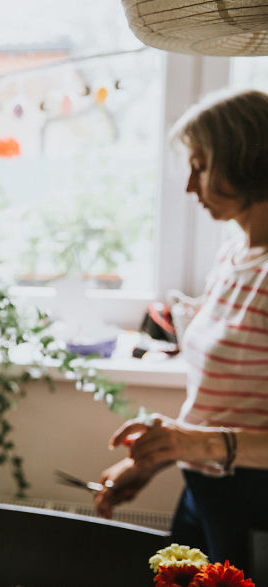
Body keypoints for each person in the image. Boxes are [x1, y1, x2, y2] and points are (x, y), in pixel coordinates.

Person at [94, 89, 268, 573]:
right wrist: (154, 458)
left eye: (201, 165)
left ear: (246, 159)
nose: (191, 187)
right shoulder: (233, 259)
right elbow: (223, 399)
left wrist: (190, 443)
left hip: (256, 505)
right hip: (206, 493)